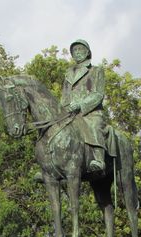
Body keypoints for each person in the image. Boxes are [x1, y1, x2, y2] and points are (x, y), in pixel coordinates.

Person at [61, 39, 106, 173]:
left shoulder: (96, 70)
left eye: (80, 49)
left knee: (94, 125)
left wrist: (80, 105)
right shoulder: (68, 73)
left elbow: (98, 94)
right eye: (74, 50)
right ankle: (50, 165)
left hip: (89, 112)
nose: (77, 52)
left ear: (87, 52)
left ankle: (99, 160)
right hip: (69, 113)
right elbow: (64, 95)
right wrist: (62, 108)